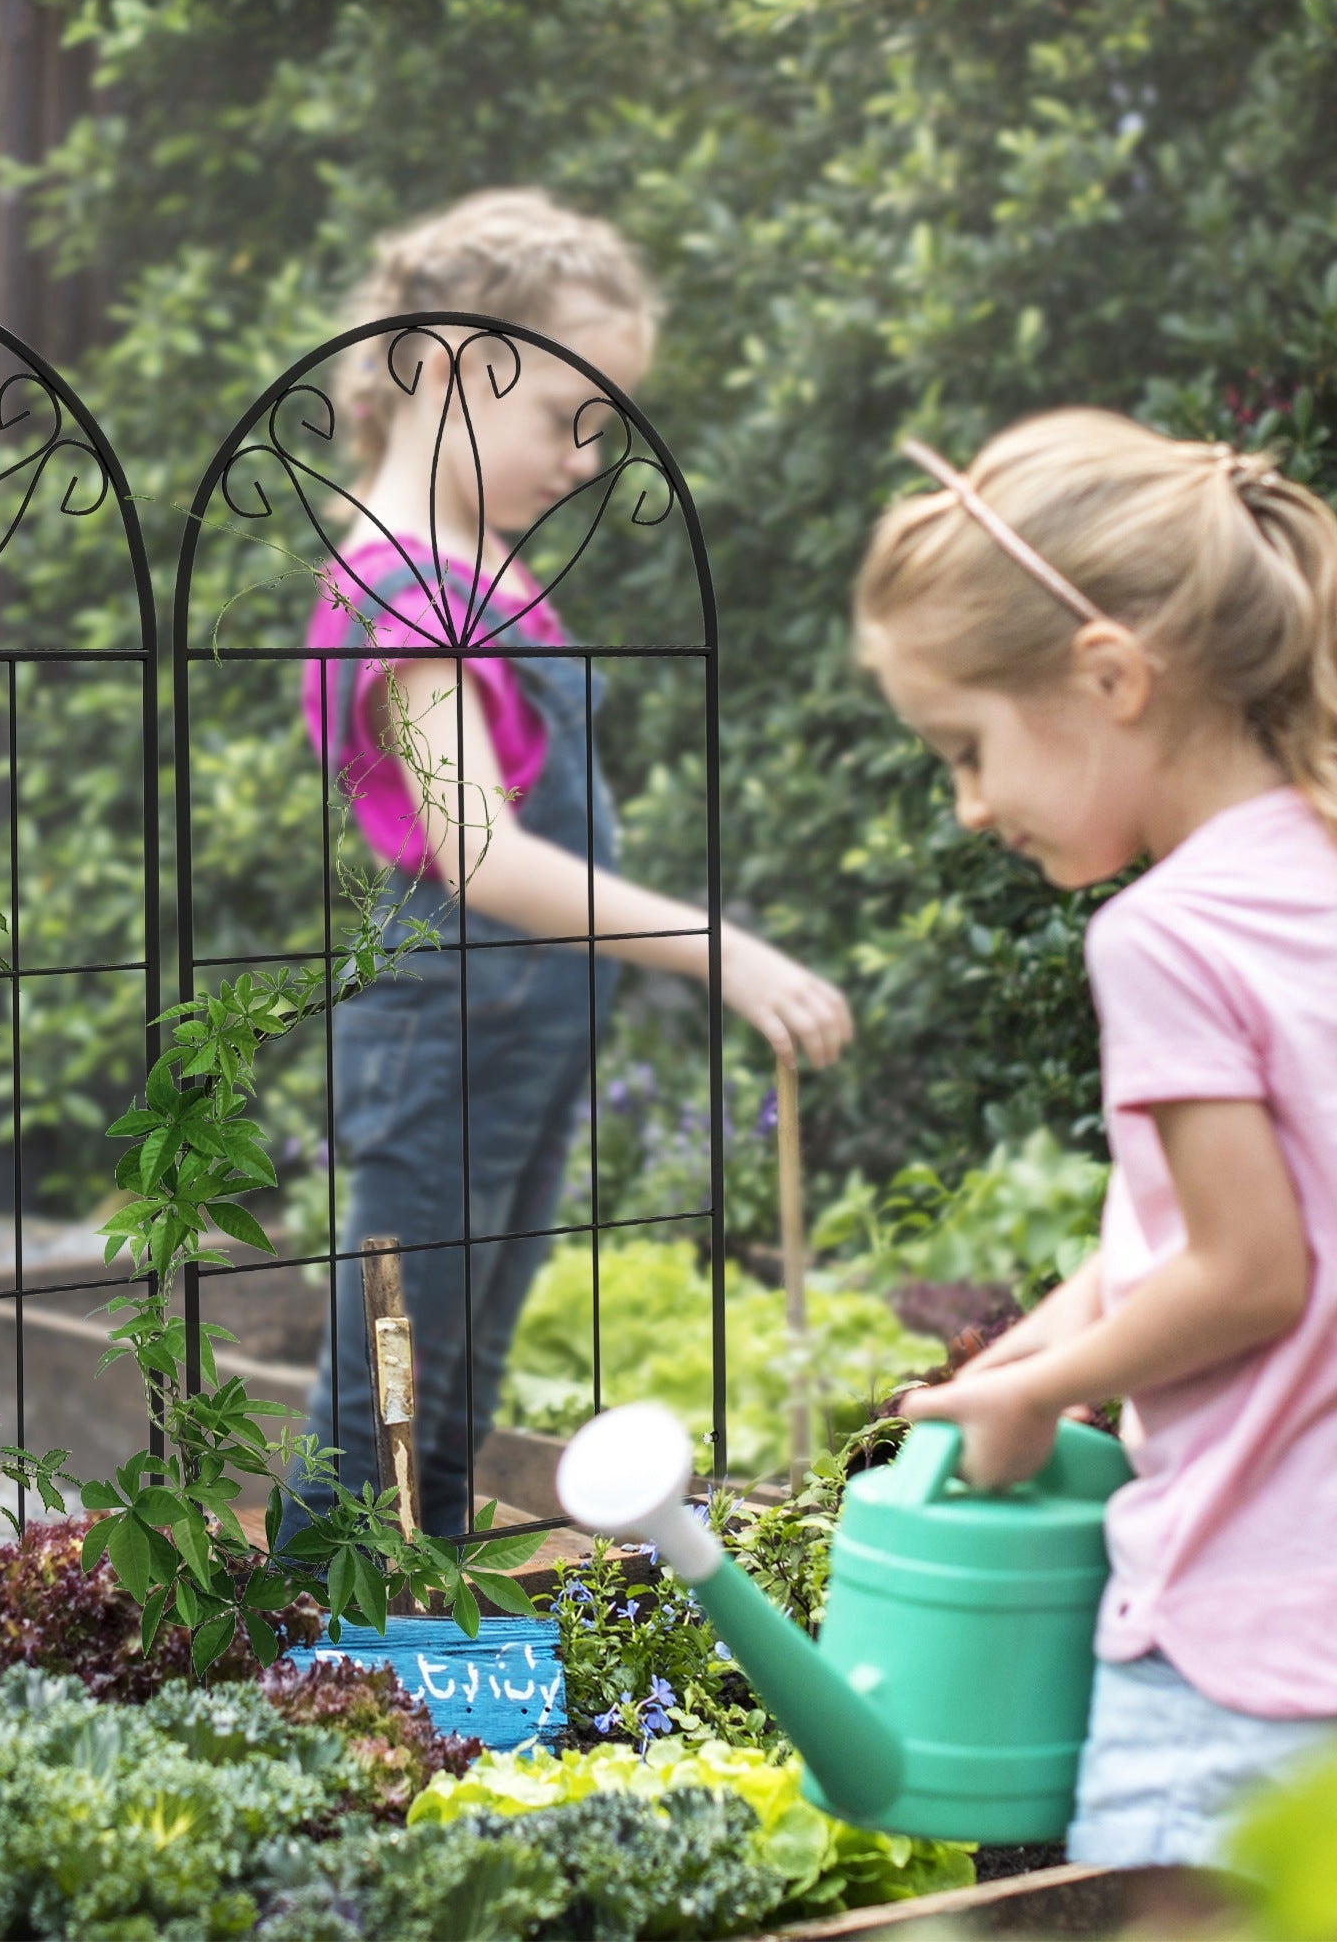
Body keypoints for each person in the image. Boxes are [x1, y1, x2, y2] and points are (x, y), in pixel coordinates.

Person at [279, 188, 851, 1543]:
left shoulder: (477, 563)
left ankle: (407, 1662)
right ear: (452, 369)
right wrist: (720, 946)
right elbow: (480, 852)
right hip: (444, 1036)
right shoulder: (403, 586)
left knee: (457, 1375)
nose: (590, 459)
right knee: (388, 1387)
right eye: (567, 417)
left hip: (517, 1033)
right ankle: (293, 1660)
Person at [858, 409, 1337, 1872]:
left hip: (1238, 1648)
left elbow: (1259, 1271)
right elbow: (1205, 1225)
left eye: (969, 746)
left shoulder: (1164, 936)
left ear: (1109, 679)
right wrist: (1037, 1341)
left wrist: (1040, 1391)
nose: (969, 803)